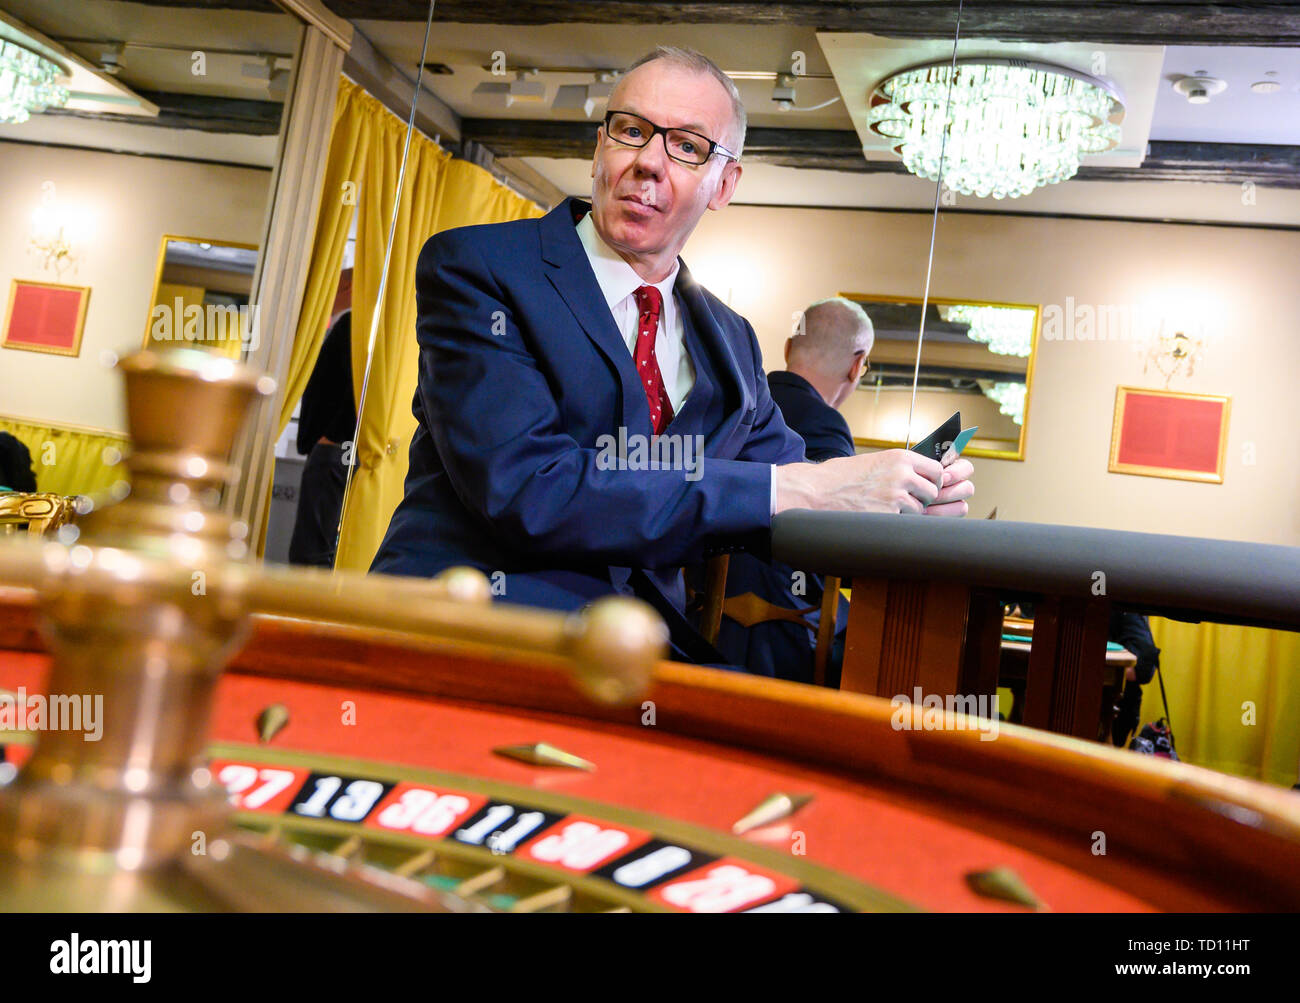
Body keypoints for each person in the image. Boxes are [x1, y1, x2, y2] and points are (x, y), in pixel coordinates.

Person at [371, 46, 974, 662]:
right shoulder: (480, 268)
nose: (648, 164)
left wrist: (902, 505)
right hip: (467, 633)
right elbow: (527, 489)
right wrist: (792, 491)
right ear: (600, 146)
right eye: (631, 131)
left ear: (725, 184)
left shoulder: (732, 338)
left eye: (687, 146)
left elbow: (804, 494)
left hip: (640, 656)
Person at [710, 297, 873, 681]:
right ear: (856, 365)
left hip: (701, 611)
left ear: (787, 348)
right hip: (776, 628)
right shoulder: (826, 423)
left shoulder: (735, 402)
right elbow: (833, 540)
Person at [288, 269, 356, 567]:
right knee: (315, 549)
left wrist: (331, 438)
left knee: (311, 552)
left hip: (333, 450)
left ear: (348, 285)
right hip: (334, 449)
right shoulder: (347, 326)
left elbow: (355, 391)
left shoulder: (353, 326)